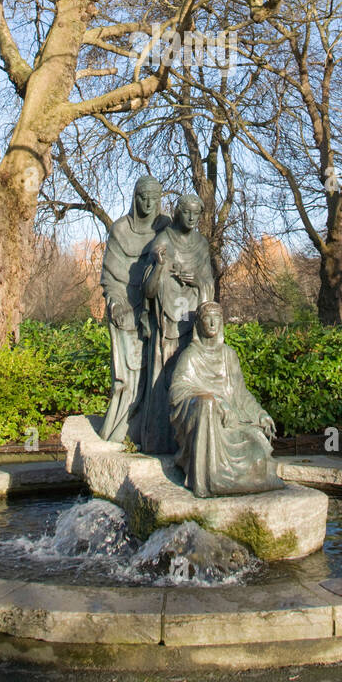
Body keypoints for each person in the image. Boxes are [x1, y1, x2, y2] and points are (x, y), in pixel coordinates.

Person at [168, 301, 281, 497]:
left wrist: (260, 414)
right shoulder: (190, 356)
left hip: (233, 424)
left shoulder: (229, 355)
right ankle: (211, 480)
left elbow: (241, 393)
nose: (212, 323)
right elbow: (177, 390)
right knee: (206, 404)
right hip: (207, 425)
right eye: (207, 318)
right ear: (199, 324)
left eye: (217, 318)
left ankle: (235, 482)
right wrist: (213, 401)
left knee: (258, 457)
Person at [139, 193, 214, 454]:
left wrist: (197, 282)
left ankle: (192, 443)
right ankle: (163, 442)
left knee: (192, 382)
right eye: (187, 212)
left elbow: (209, 285)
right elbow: (148, 291)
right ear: (178, 212)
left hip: (191, 322)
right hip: (166, 326)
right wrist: (159, 267)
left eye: (196, 213)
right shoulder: (162, 241)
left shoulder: (202, 245)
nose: (192, 218)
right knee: (164, 381)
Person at [98, 175, 168, 444]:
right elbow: (110, 280)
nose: (148, 203)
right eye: (143, 196)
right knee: (128, 379)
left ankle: (155, 430)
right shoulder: (120, 230)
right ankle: (122, 428)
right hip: (127, 308)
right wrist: (116, 303)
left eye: (154, 197)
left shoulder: (166, 228)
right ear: (134, 197)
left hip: (159, 311)